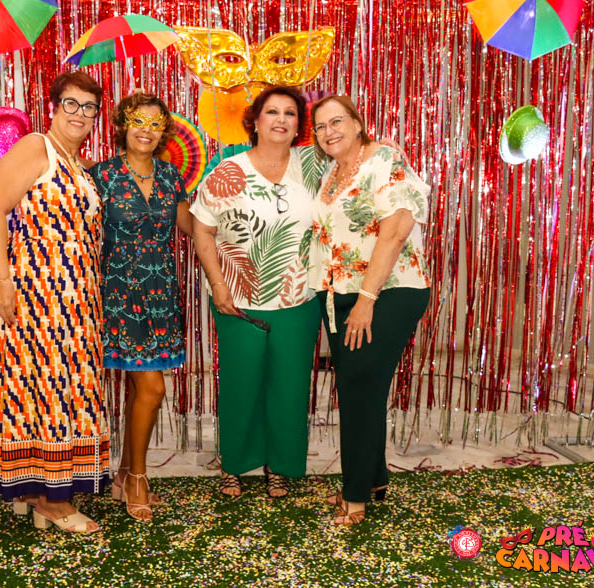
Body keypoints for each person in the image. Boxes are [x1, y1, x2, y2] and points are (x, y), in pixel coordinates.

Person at [0, 71, 108, 533]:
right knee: (49, 391)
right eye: (71, 103)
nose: (79, 114)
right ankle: (54, 502)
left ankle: (32, 492)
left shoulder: (78, 164)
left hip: (77, 298)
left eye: (89, 107)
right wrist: (1, 281)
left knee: (53, 391)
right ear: (53, 107)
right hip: (37, 294)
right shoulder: (36, 147)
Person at [191, 86, 323, 498]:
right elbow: (202, 230)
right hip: (237, 300)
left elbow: (357, 160)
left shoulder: (313, 166)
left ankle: (279, 466)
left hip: (299, 300)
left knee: (289, 387)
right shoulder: (228, 171)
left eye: (290, 113)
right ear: (256, 121)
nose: (281, 120)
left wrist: (385, 148)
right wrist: (217, 284)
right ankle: (233, 464)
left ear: (299, 125)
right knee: (240, 385)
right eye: (272, 112)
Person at [307, 95, 430, 525]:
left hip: (387, 291)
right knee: (362, 387)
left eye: (337, 121)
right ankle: (374, 478)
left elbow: (396, 230)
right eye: (321, 126)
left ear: (358, 123)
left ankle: (355, 497)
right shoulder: (331, 172)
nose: (329, 132)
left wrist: (366, 299)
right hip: (339, 295)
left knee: (359, 389)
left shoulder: (385, 160)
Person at [89, 92, 192, 521]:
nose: (146, 130)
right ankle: (136, 478)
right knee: (152, 389)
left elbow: (188, 226)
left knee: (140, 391)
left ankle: (122, 476)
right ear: (121, 125)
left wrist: (223, 206)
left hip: (160, 293)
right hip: (118, 295)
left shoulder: (170, 176)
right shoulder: (101, 176)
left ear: (164, 132)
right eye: (138, 121)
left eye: (155, 123)